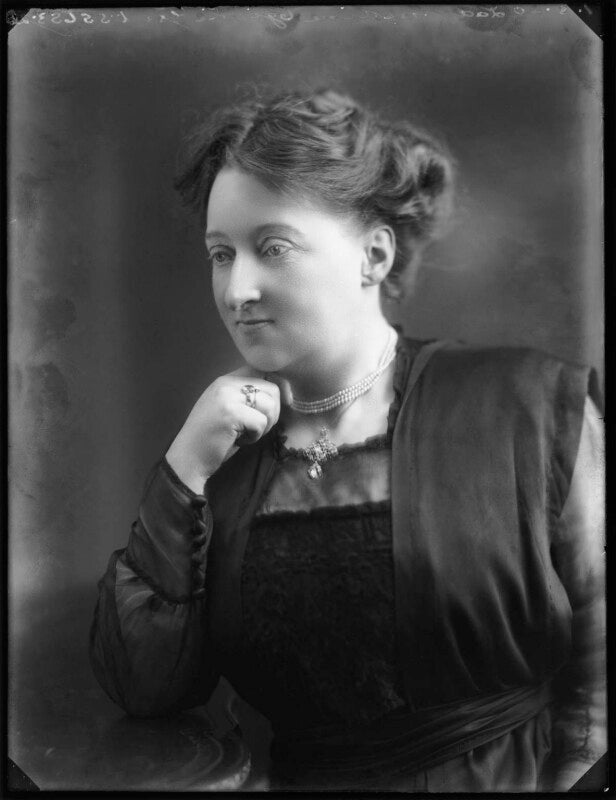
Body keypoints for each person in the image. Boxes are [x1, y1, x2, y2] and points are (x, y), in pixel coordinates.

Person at [89, 89, 606, 792]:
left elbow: (599, 693)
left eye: (273, 247)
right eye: (221, 254)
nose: (237, 289)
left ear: (374, 254)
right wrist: (182, 470)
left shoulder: (529, 407)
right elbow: (146, 689)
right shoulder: (222, 462)